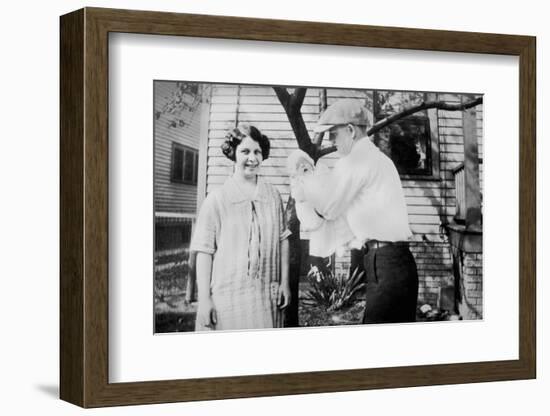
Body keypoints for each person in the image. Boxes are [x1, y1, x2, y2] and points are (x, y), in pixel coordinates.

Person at [293, 99, 419, 324]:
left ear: (350, 130)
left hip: (385, 263)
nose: (332, 141)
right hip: (399, 263)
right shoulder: (380, 159)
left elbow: (328, 208)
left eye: (334, 134)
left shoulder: (355, 160)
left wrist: (303, 179)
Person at [190, 123, 291, 331]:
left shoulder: (273, 196)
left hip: (265, 297)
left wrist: (285, 282)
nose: (252, 158)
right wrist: (204, 299)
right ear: (233, 154)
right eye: (245, 151)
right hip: (227, 297)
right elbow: (204, 252)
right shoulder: (217, 199)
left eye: (257, 152)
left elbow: (283, 241)